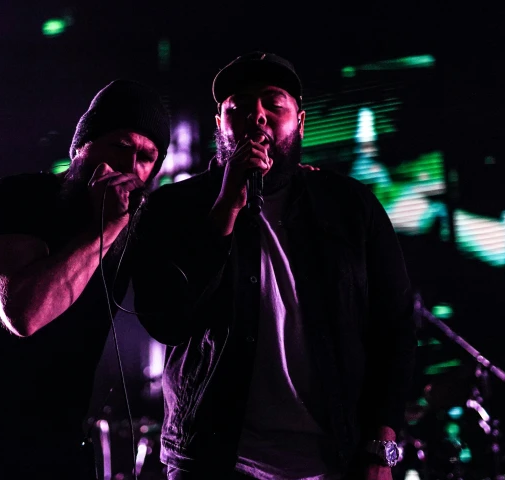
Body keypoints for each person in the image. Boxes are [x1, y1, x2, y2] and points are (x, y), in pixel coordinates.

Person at [131, 51, 417, 480]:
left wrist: (381, 449)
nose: (256, 116)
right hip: (213, 462)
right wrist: (225, 208)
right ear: (219, 125)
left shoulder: (351, 207)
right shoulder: (174, 208)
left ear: (300, 122)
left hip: (334, 460)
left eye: (272, 103)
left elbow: (394, 329)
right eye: (239, 107)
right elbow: (165, 320)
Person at [0, 79, 171, 479]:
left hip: (51, 440)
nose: (131, 168)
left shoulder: (135, 234)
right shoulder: (19, 197)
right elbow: (25, 313)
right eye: (121, 147)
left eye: (147, 158)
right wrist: (106, 228)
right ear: (81, 148)